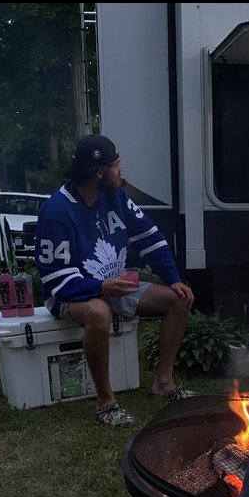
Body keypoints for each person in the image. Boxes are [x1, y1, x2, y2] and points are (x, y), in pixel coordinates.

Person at [34, 135, 195, 427]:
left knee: (179, 300)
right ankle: (106, 401)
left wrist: (173, 279)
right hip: (69, 294)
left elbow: (150, 238)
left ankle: (164, 383)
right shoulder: (57, 211)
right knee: (99, 312)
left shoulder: (116, 197)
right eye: (116, 165)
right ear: (99, 173)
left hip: (112, 284)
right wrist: (100, 288)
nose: (121, 170)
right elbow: (55, 277)